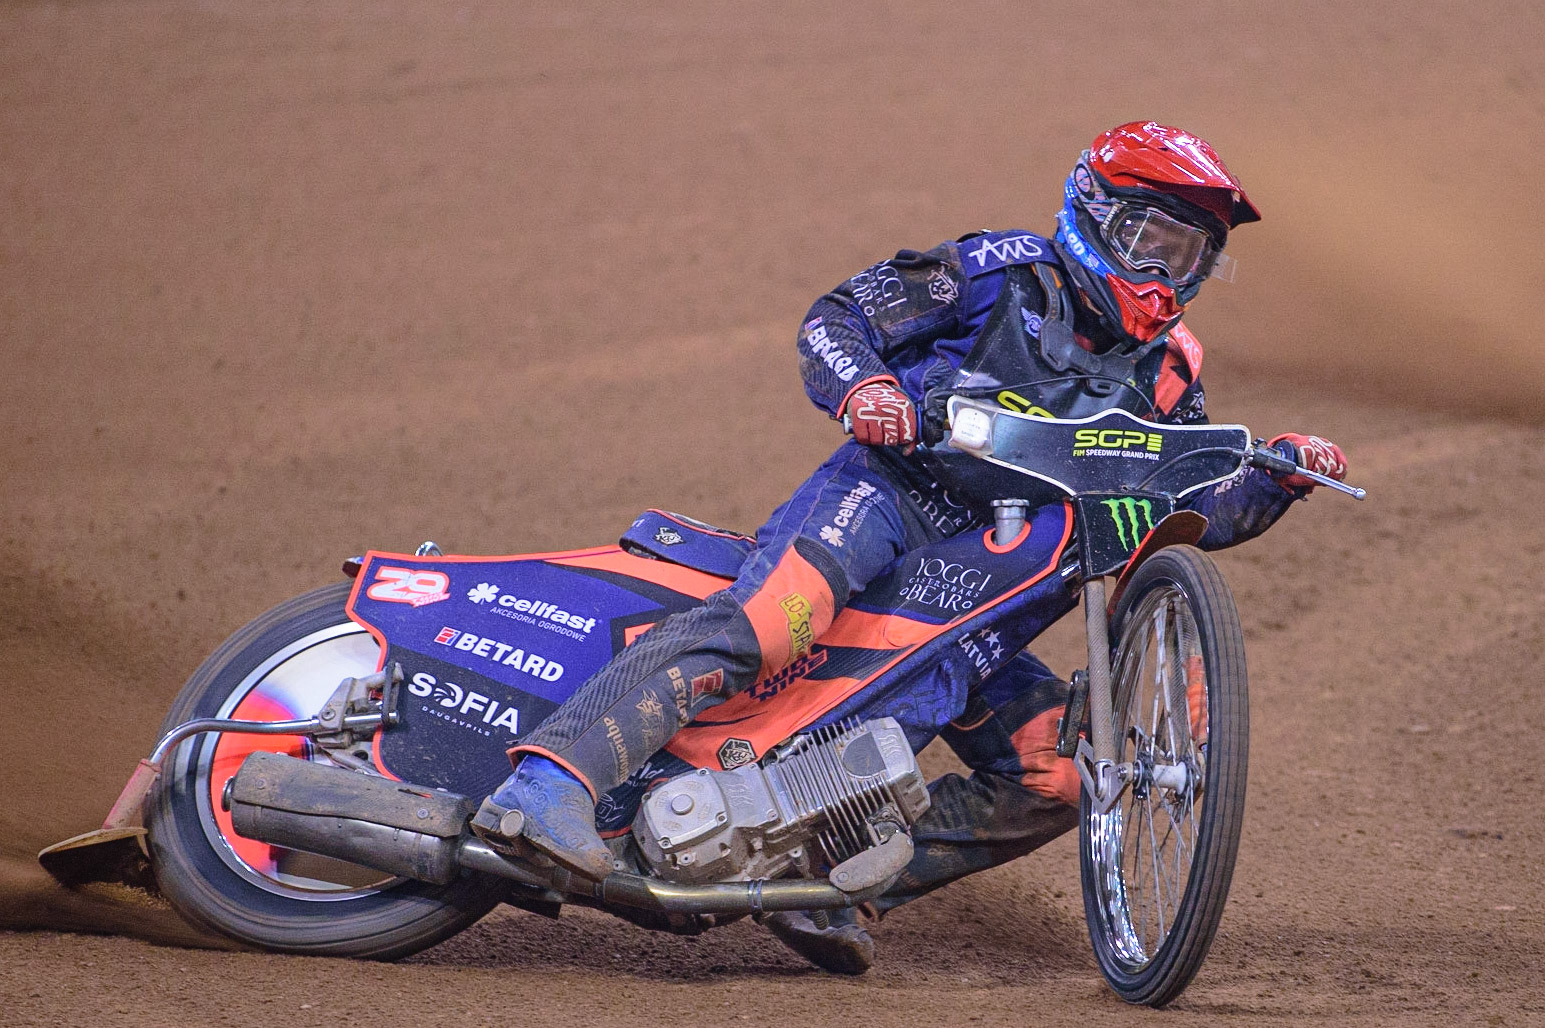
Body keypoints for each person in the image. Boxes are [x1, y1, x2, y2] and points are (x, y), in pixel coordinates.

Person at [471, 122, 1348, 972]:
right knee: (775, 617)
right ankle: (547, 787)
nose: (1162, 271)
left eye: (1188, 254)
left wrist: (1273, 479)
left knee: (1060, 772)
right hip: (889, 497)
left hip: (994, 582)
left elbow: (1187, 503)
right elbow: (836, 317)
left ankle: (829, 888)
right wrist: (864, 386)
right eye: (1147, 238)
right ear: (1092, 210)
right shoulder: (994, 273)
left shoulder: (1170, 372)